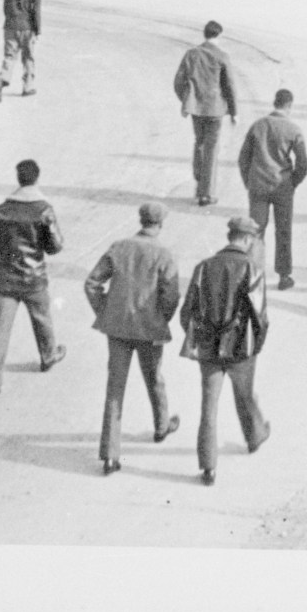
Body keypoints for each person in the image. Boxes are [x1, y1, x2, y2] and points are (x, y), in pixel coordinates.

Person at [85, 201, 183, 473]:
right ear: (160, 224)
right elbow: (172, 296)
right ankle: (161, 426)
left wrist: (105, 310)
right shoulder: (164, 253)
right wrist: (160, 318)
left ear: (141, 221)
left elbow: (92, 283)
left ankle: (110, 455)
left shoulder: (119, 246)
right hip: (149, 329)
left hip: (117, 328)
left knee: (115, 388)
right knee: (154, 377)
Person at [179, 215, 271, 486]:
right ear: (246, 239)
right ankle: (254, 437)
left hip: (208, 349)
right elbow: (260, 315)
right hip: (241, 348)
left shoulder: (204, 267)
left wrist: (199, 337)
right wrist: (257, 345)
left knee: (208, 407)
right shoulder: (252, 268)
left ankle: (208, 468)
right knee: (244, 395)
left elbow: (187, 313)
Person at [0, 159, 67, 396]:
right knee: (42, 318)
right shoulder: (43, 209)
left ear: (18, 178)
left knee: (0, 328)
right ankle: (48, 355)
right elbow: (55, 247)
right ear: (37, 178)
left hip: (5, 278)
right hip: (34, 278)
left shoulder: (3, 209)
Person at [237, 90, 307, 290]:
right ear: (289, 105)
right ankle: (284, 276)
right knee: (283, 230)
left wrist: (249, 182)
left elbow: (243, 159)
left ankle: (253, 275)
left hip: (258, 185)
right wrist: (293, 182)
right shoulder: (293, 129)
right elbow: (303, 163)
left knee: (255, 231)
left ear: (274, 102)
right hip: (283, 186)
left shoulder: (257, 126)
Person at [174, 21, 239, 205]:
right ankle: (206, 193)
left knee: (200, 144)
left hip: (197, 109)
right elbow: (230, 85)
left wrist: (188, 99)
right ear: (219, 36)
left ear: (204, 34)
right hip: (216, 110)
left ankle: (199, 185)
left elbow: (178, 81)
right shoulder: (222, 56)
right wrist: (234, 111)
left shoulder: (192, 54)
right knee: (212, 149)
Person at [0, 0, 42, 103]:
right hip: (27, 27)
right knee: (28, 57)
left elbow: (6, 5)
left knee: (9, 56)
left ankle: (3, 77)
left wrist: (9, 20)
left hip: (10, 25)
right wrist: (37, 30)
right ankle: (28, 87)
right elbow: (36, 11)